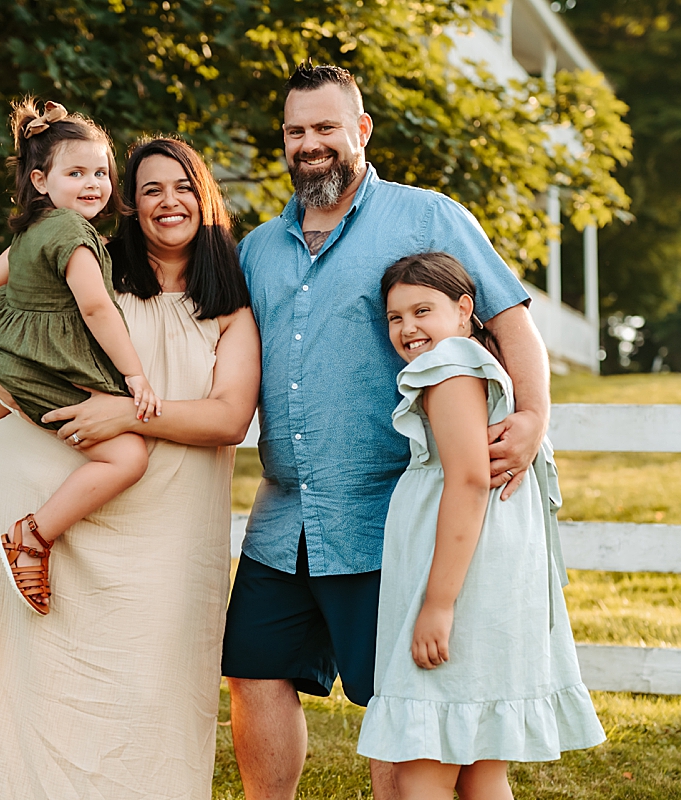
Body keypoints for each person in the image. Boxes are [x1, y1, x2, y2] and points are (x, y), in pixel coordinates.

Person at [223, 63, 552, 800]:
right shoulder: (258, 250)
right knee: (253, 671)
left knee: (400, 703)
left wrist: (532, 416)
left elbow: (509, 317)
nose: (309, 144)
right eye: (295, 131)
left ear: (361, 131)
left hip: (391, 515)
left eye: (325, 128)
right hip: (284, 516)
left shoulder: (427, 217)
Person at [0, 136, 261, 800]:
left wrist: (125, 415)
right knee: (35, 692)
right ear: (130, 204)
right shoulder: (94, 271)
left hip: (167, 537)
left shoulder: (230, 307)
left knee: (149, 701)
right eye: (150, 189)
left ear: (205, 197)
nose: (167, 201)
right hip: (43, 505)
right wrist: (6, 379)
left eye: (182, 186)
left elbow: (228, 419)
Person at [357, 252, 605, 799]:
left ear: (465, 308)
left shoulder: (447, 366)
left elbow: (468, 481)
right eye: (395, 317)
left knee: (424, 764)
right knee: (480, 768)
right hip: (491, 575)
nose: (407, 328)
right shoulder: (477, 363)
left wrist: (438, 604)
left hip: (457, 582)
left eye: (423, 310)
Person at [0, 99, 162, 620]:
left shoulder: (33, 227)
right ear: (42, 180)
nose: (94, 183)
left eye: (101, 172)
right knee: (128, 456)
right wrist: (133, 372)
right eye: (77, 173)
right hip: (41, 363)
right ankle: (33, 536)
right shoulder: (73, 235)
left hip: (4, 349)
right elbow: (94, 307)